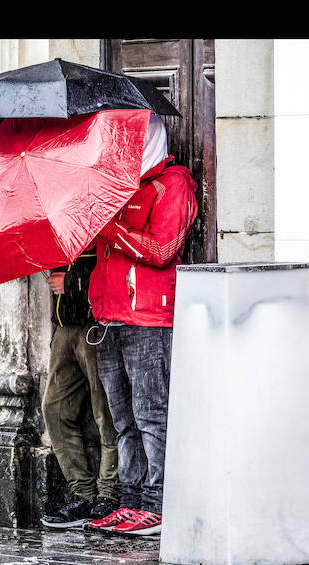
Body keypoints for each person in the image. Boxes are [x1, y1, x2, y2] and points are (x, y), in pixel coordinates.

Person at [85, 113, 198, 536]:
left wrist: (110, 228)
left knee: (153, 414)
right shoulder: (116, 190)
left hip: (150, 319)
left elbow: (164, 249)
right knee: (123, 419)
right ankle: (130, 500)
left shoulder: (174, 184)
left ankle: (157, 503)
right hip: (110, 318)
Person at [39, 248, 120, 529]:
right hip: (64, 327)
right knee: (55, 409)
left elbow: (114, 272)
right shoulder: (60, 230)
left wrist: (71, 283)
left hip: (95, 325)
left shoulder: (100, 219)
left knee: (106, 412)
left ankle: (109, 494)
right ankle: (83, 494)